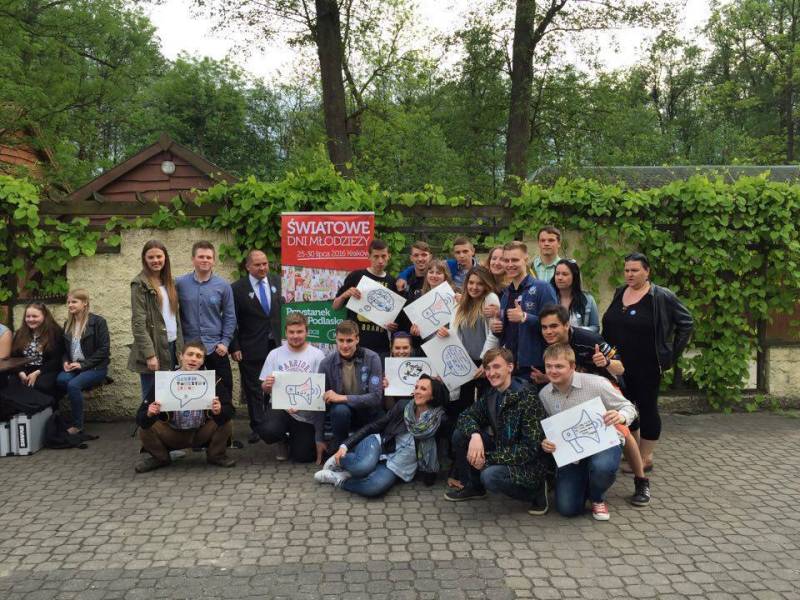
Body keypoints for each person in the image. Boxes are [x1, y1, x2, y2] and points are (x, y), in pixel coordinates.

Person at [538, 304, 650, 506]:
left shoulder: (589, 339)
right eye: (544, 327)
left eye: (553, 326)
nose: (548, 331)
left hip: (601, 386)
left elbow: (620, 368)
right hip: (570, 390)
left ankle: (641, 480)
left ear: (566, 325)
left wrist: (605, 363)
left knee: (623, 430)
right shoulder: (546, 344)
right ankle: (573, 476)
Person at [601, 252, 693, 472]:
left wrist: (671, 355)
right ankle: (634, 451)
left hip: (647, 365)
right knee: (625, 406)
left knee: (647, 408)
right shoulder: (620, 291)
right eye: (626, 270)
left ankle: (645, 457)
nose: (629, 274)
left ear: (647, 271)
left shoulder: (661, 296)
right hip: (618, 366)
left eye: (635, 270)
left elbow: (686, 323)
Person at [444, 348, 550, 516]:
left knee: (490, 476)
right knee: (461, 435)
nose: (491, 373)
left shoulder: (527, 397)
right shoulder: (492, 394)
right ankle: (474, 488)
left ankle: (536, 492)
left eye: (496, 367)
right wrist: (475, 435)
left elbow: (530, 449)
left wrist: (487, 460)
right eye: (487, 368)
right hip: (503, 448)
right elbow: (466, 416)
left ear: (510, 367)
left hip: (530, 463)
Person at [539, 344, 638, 521]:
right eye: (549, 366)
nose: (553, 371)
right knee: (568, 509)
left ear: (572, 366)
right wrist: (546, 441)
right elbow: (550, 428)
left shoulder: (596, 383)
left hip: (604, 444)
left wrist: (621, 416)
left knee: (603, 467)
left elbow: (628, 407)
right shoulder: (545, 394)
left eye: (559, 366)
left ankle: (597, 496)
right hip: (573, 453)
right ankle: (585, 481)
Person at [314, 374, 447, 496]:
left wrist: (454, 476)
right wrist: (345, 446)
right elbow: (374, 426)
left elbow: (452, 428)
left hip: (398, 465)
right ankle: (339, 460)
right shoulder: (404, 406)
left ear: (433, 395)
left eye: (423, 389)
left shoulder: (438, 420)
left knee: (375, 487)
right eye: (416, 387)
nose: (417, 391)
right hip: (380, 444)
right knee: (363, 467)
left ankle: (340, 479)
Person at [435, 266, 500, 488]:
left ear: (487, 285)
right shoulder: (461, 302)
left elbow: (494, 334)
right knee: (462, 413)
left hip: (485, 364)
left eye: (479, 283)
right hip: (464, 364)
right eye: (471, 283)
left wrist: (485, 362)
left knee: (483, 415)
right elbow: (455, 331)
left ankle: (479, 466)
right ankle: (461, 467)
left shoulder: (490, 299)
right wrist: (446, 334)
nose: (474, 287)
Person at [134, 340, 236, 472]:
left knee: (226, 421)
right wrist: (149, 413)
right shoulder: (164, 381)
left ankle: (216, 455)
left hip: (200, 432)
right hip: (172, 434)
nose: (194, 359)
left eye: (199, 356)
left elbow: (230, 410)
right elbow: (140, 416)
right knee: (145, 427)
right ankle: (160, 458)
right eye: (190, 354)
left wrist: (220, 410)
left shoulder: (212, 380)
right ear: (180, 356)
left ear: (202, 361)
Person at [255, 313, 326, 463]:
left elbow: (321, 389)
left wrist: (301, 405)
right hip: (280, 408)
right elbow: (264, 388)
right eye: (291, 332)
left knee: (304, 457)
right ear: (285, 332)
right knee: (267, 430)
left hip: (306, 412)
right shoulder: (274, 354)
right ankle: (281, 439)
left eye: (299, 332)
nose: (295, 336)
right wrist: (266, 385)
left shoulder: (317, 355)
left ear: (306, 332)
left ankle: (293, 439)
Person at [230, 249, 281, 444]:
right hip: (250, 346)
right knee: (254, 388)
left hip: (277, 345)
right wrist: (234, 346)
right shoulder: (237, 288)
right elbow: (231, 320)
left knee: (274, 385)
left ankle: (272, 424)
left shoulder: (279, 282)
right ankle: (258, 427)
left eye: (265, 263)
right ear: (248, 267)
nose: (262, 268)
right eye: (257, 265)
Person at [176, 241, 237, 394]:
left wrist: (225, 342)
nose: (205, 260)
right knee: (190, 391)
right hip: (190, 349)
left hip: (216, 348)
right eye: (201, 256)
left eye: (209, 257)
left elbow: (230, 316)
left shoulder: (223, 286)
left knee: (223, 390)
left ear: (213, 260)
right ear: (193, 259)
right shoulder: (179, 284)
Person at [494, 241, 557, 379]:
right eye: (506, 260)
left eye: (515, 260)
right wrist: (497, 329)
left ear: (526, 259)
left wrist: (525, 317)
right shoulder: (506, 293)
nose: (510, 264)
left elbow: (556, 327)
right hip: (510, 366)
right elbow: (508, 332)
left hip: (534, 368)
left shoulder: (542, 288)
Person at [128, 239, 183, 400]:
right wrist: (150, 355)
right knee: (151, 399)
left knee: (170, 397)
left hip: (172, 346)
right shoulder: (139, 284)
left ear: (165, 258)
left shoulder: (170, 283)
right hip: (154, 347)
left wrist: (180, 348)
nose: (155, 260)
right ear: (144, 259)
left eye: (159, 256)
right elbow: (138, 323)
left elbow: (176, 320)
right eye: (151, 257)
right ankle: (147, 419)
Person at [318, 320, 384, 452]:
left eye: (349, 340)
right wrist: (318, 438)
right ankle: (340, 445)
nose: (345, 345)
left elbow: (376, 397)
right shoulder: (326, 363)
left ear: (357, 339)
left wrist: (342, 398)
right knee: (339, 410)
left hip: (368, 412)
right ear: (336, 340)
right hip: (342, 415)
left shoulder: (372, 358)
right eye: (341, 340)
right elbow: (319, 403)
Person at [56, 290, 110, 436]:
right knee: (60, 380)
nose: (70, 305)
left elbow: (104, 350)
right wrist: (66, 362)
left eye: (74, 302)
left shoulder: (98, 322)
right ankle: (83, 390)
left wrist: (83, 365)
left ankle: (77, 426)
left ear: (84, 303)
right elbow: (64, 350)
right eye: (68, 302)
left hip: (95, 368)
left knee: (73, 385)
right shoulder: (68, 324)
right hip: (75, 368)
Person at [332, 239, 398, 357]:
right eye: (376, 256)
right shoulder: (356, 276)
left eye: (383, 256)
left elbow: (393, 317)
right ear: (369, 256)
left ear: (389, 256)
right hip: (354, 345)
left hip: (381, 346)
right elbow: (335, 306)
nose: (380, 261)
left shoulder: (392, 281)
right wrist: (345, 294)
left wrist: (392, 325)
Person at [11, 302, 63, 396]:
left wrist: (37, 373)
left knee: (40, 385)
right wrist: (21, 372)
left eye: (35, 316)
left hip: (46, 370)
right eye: (28, 316)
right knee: (11, 383)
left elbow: (56, 360)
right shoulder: (20, 333)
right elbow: (14, 357)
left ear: (44, 316)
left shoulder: (55, 332)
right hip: (24, 369)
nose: (31, 319)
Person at [397, 237, 478, 293]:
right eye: (458, 252)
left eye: (465, 251)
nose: (462, 255)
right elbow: (417, 266)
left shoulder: (481, 270)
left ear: (473, 251)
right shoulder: (448, 265)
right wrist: (402, 277)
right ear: (454, 254)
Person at [407, 259, 455, 346]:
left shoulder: (454, 295)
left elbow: (461, 325)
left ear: (445, 276)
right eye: (431, 272)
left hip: (448, 344)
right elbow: (416, 331)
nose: (434, 275)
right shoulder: (418, 295)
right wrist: (414, 332)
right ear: (426, 275)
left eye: (438, 273)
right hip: (426, 347)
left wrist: (450, 332)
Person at [550, 259, 600, 332]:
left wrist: (577, 331)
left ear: (574, 276)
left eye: (565, 274)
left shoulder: (588, 299)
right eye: (557, 274)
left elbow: (595, 327)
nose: (560, 278)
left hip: (579, 339)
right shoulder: (549, 297)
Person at [382, 331, 415, 411]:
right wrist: (384, 389)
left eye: (405, 348)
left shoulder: (421, 365)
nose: (401, 352)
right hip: (390, 411)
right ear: (391, 348)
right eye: (397, 348)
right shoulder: (382, 364)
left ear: (411, 348)